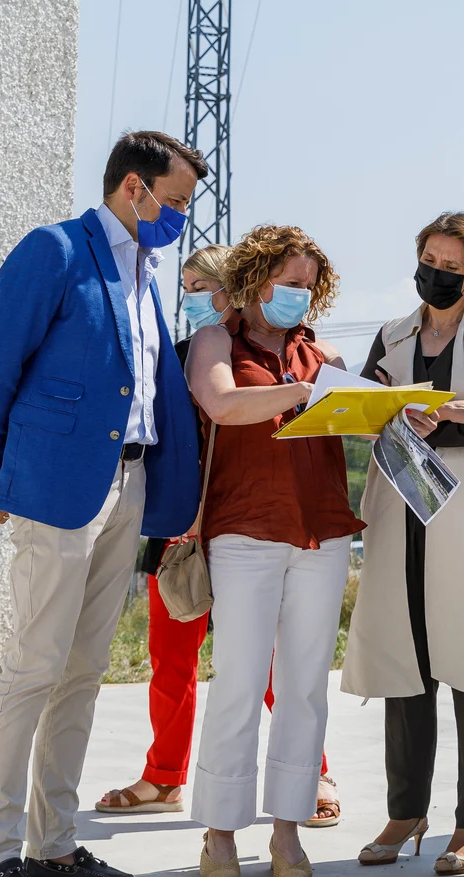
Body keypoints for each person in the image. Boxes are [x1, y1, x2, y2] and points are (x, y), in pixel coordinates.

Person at [0, 130, 207, 877]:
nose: (181, 218)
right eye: (175, 201)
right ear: (133, 188)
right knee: (35, 668)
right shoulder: (58, 250)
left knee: (83, 669)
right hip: (57, 486)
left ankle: (53, 846)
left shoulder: (145, 271)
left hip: (127, 486)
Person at [95, 245, 339, 828]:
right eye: (186, 286)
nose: (192, 298)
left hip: (249, 524)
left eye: (203, 285)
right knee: (170, 657)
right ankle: (164, 776)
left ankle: (316, 772)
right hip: (182, 524)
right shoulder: (179, 354)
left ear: (239, 288)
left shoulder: (290, 353)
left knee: (272, 663)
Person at [343, 212, 464, 875]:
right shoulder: (391, 334)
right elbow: (367, 412)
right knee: (407, 658)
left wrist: (422, 417)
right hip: (402, 509)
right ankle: (407, 809)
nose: (435, 270)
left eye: (450, 264)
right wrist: (448, 410)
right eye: (428, 256)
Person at [185, 225, 365, 877]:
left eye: (309, 287)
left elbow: (360, 413)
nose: (301, 296)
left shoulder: (324, 352)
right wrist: (300, 394)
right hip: (244, 530)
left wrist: (397, 412)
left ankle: (287, 833)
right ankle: (219, 836)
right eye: (291, 283)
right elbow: (221, 402)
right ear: (258, 277)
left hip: (323, 531)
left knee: (305, 686)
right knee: (237, 679)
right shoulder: (216, 340)